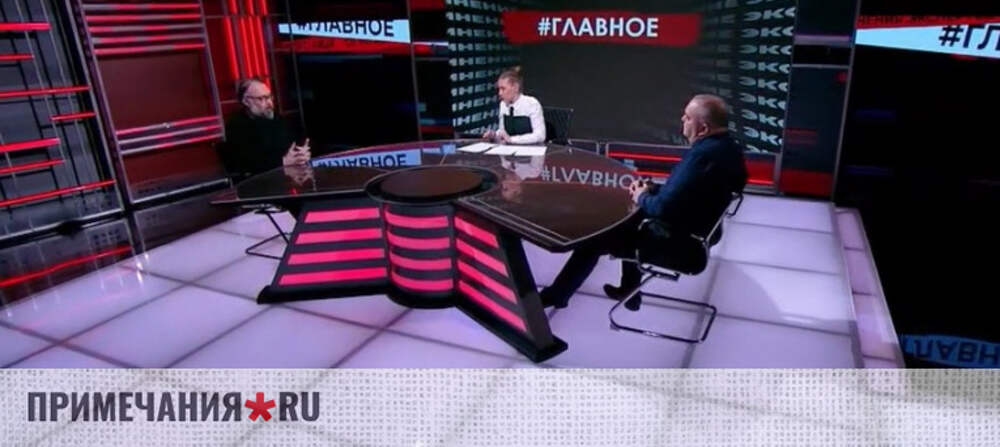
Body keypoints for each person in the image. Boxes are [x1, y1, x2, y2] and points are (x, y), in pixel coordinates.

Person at [538, 94, 748, 309]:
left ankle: (557, 296)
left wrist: (642, 196)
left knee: (595, 239)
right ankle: (629, 291)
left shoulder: (701, 156)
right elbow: (693, 193)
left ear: (702, 129)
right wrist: (652, 189)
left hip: (680, 244)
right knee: (628, 219)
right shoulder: (730, 149)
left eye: (687, 118)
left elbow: (662, 208)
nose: (682, 120)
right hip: (698, 230)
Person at [220, 78, 311, 181]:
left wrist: (300, 154)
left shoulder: (277, 119)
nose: (269, 103)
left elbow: (292, 144)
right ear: (246, 101)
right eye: (262, 98)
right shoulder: (236, 126)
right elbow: (247, 164)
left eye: (270, 97)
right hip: (256, 185)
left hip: (288, 179)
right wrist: (283, 162)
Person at [482, 67, 546, 145]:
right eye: (499, 89)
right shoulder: (503, 104)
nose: (500, 93)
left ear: (515, 87)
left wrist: (512, 140)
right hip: (510, 149)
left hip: (531, 149)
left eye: (503, 89)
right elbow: (503, 133)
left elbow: (540, 136)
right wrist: (494, 135)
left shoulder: (532, 103)